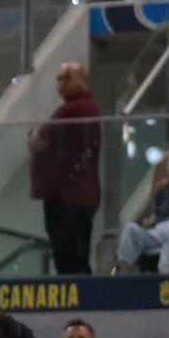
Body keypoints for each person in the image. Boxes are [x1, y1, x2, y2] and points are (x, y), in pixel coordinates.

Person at [27, 62, 101, 275]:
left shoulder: (73, 109)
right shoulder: (81, 108)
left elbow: (37, 142)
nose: (61, 84)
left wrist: (36, 137)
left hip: (69, 196)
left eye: (67, 78)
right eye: (59, 78)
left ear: (82, 80)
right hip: (73, 194)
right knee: (72, 252)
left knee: (69, 255)